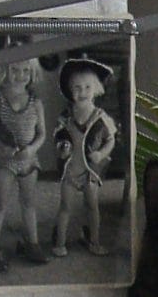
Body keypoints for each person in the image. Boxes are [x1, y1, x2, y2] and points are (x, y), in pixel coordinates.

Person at [0, 54, 48, 272]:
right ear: (5, 72)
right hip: (4, 159)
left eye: (25, 71)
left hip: (28, 159)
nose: (21, 75)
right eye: (15, 70)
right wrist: (4, 148)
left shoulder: (35, 102)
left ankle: (32, 242)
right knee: (0, 203)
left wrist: (31, 149)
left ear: (32, 73)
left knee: (29, 202)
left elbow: (42, 133)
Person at [50, 57, 118, 257]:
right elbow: (58, 138)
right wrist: (62, 149)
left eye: (88, 87)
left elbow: (111, 140)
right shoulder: (66, 117)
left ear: (96, 88)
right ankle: (59, 242)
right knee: (65, 207)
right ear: (70, 91)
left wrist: (101, 153)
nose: (83, 92)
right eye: (77, 88)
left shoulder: (101, 117)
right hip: (70, 171)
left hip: (90, 172)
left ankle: (94, 241)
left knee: (92, 206)